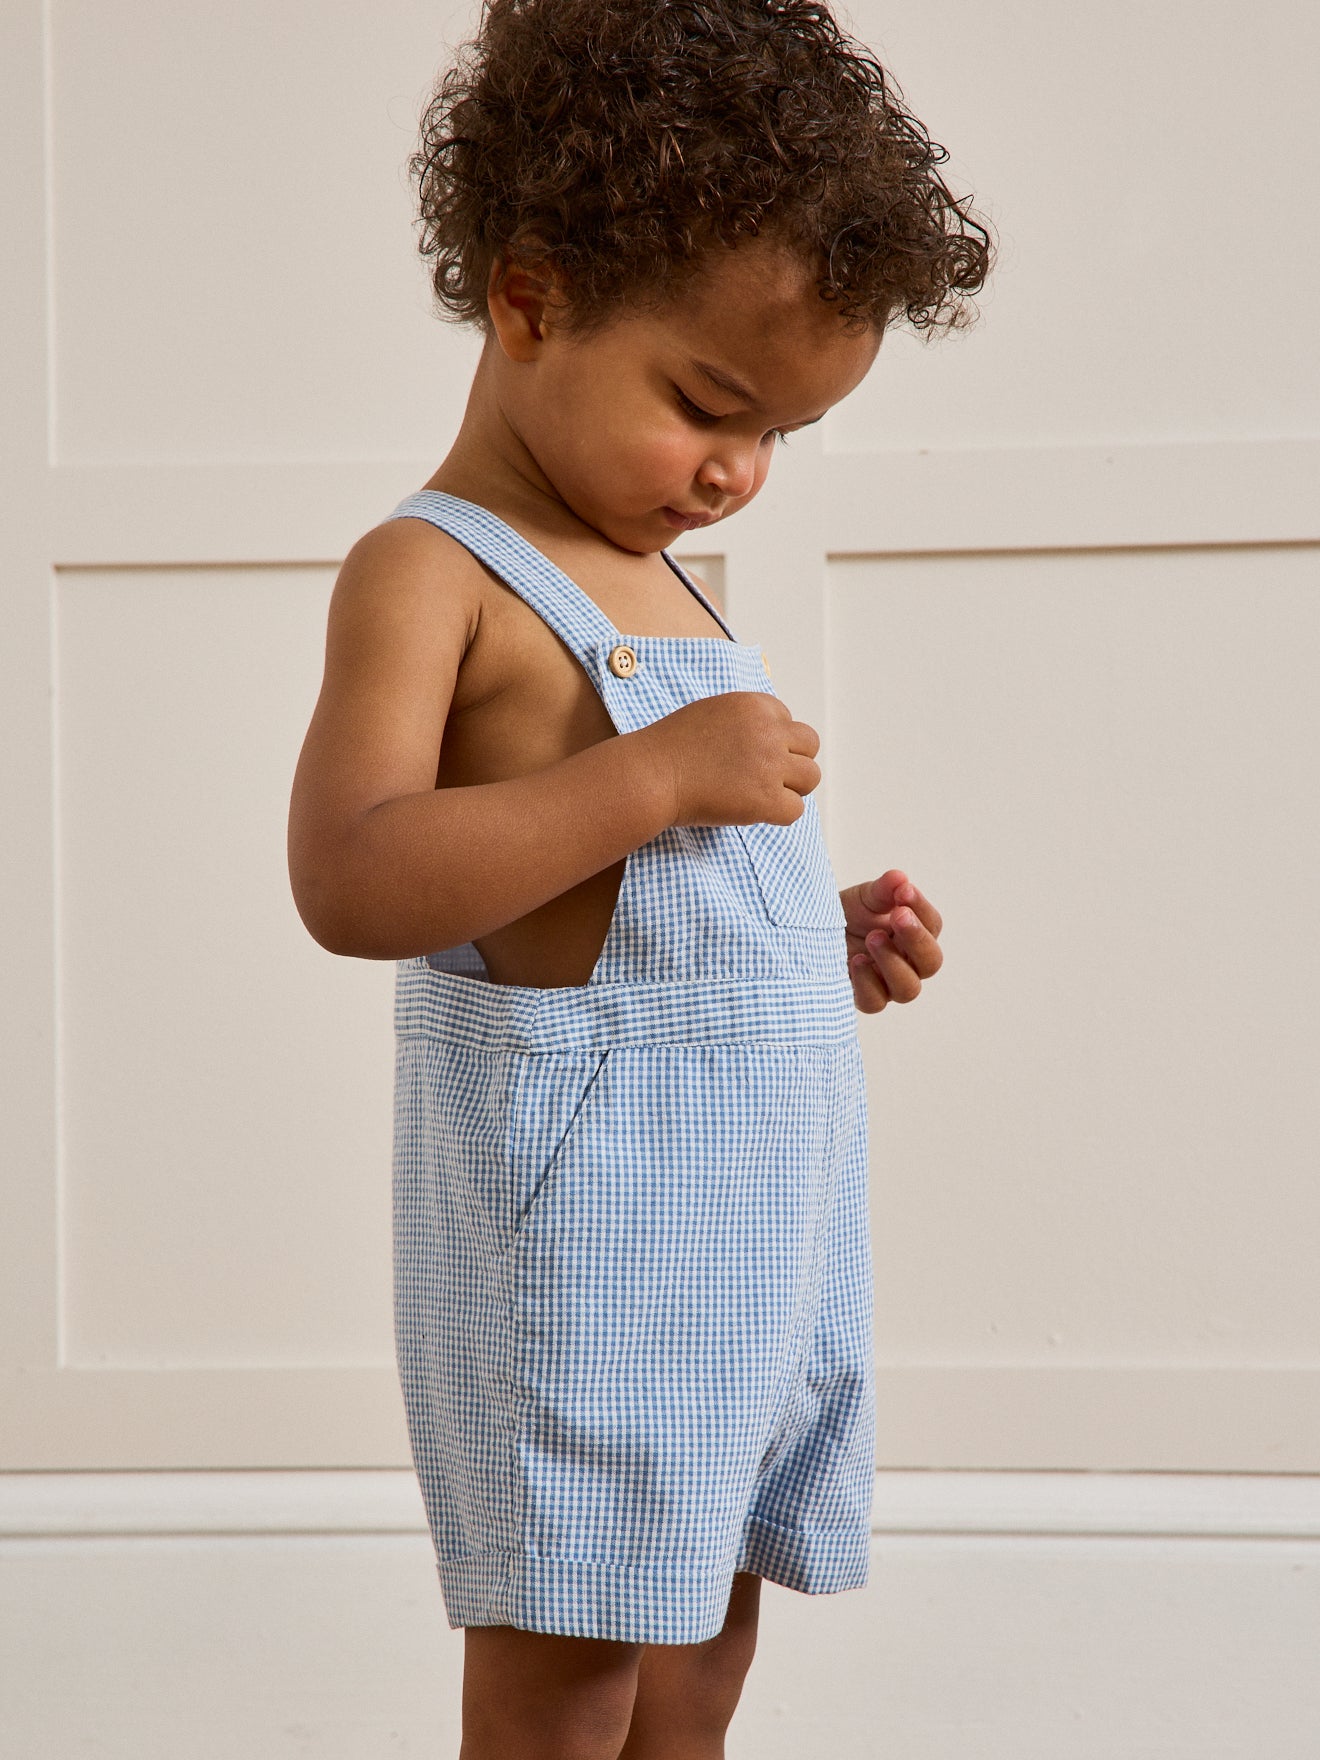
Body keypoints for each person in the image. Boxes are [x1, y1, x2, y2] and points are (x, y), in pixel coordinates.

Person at [288, 1, 988, 1753]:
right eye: (708, 406)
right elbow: (354, 876)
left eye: (781, 436)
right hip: (588, 1252)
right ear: (531, 300)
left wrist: (807, 940)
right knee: (573, 1665)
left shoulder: (659, 573)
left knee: (704, 1650)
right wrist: (658, 773)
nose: (738, 472)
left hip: (747, 1231)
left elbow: (624, 923)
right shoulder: (433, 571)